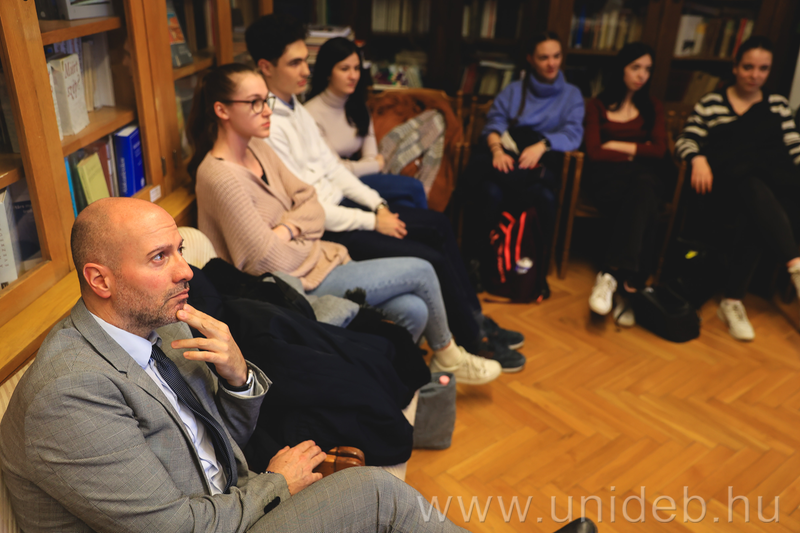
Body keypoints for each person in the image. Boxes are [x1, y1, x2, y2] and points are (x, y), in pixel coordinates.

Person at [0, 197, 472, 532]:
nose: (185, 270)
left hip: (230, 508)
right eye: (160, 257)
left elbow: (222, 446)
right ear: (100, 280)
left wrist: (238, 377)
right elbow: (172, 527)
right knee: (376, 493)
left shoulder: (165, 326)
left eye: (180, 250)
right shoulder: (69, 392)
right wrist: (276, 485)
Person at [188, 63, 501, 385]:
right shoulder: (219, 177)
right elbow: (264, 260)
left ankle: (392, 385)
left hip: (317, 262)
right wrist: (304, 236)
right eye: (255, 102)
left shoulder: (258, 147)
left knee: (415, 309)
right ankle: (449, 356)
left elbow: (311, 201)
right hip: (287, 288)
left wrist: (288, 230)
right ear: (222, 110)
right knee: (423, 269)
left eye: (265, 100)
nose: (267, 110)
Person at [245, 14, 526, 371]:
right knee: (431, 257)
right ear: (266, 67)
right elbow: (312, 206)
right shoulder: (269, 125)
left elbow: (334, 169)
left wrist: (378, 205)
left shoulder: (293, 105)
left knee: (438, 224)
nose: (305, 70)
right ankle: (474, 339)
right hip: (330, 228)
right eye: (295, 63)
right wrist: (373, 221)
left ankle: (476, 320)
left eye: (305, 60)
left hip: (344, 208)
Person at [675, 35, 800, 341]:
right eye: (748, 67)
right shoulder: (711, 103)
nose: (755, 75)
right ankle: (793, 267)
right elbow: (686, 139)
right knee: (749, 185)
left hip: (767, 189)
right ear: (735, 67)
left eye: (763, 69)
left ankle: (732, 302)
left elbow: (793, 148)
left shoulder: (777, 105)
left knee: (756, 204)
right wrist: (698, 158)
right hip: (721, 190)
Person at [461, 31, 584, 279]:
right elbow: (493, 125)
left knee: (544, 197)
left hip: (540, 165)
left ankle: (534, 272)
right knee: (490, 192)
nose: (552, 63)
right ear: (530, 59)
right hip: (507, 160)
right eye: (544, 58)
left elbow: (573, 134)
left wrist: (543, 145)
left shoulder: (572, 95)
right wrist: (497, 151)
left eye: (557, 56)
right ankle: (478, 265)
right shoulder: (514, 90)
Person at [583, 43, 668, 325]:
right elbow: (594, 152)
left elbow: (660, 151)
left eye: (647, 69)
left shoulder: (653, 107)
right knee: (645, 197)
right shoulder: (597, 105)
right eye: (635, 68)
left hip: (641, 183)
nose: (642, 75)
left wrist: (616, 144)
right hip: (608, 183)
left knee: (643, 190)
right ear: (621, 69)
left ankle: (610, 274)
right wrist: (639, 150)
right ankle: (631, 286)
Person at [305, 37, 428, 210]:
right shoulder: (310, 114)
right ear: (328, 72)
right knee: (414, 187)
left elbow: (370, 155)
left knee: (404, 204)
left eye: (356, 68)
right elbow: (335, 169)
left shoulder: (359, 106)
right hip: (333, 186)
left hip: (360, 178)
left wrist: (365, 165)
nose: (353, 76)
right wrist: (375, 165)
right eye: (344, 69)